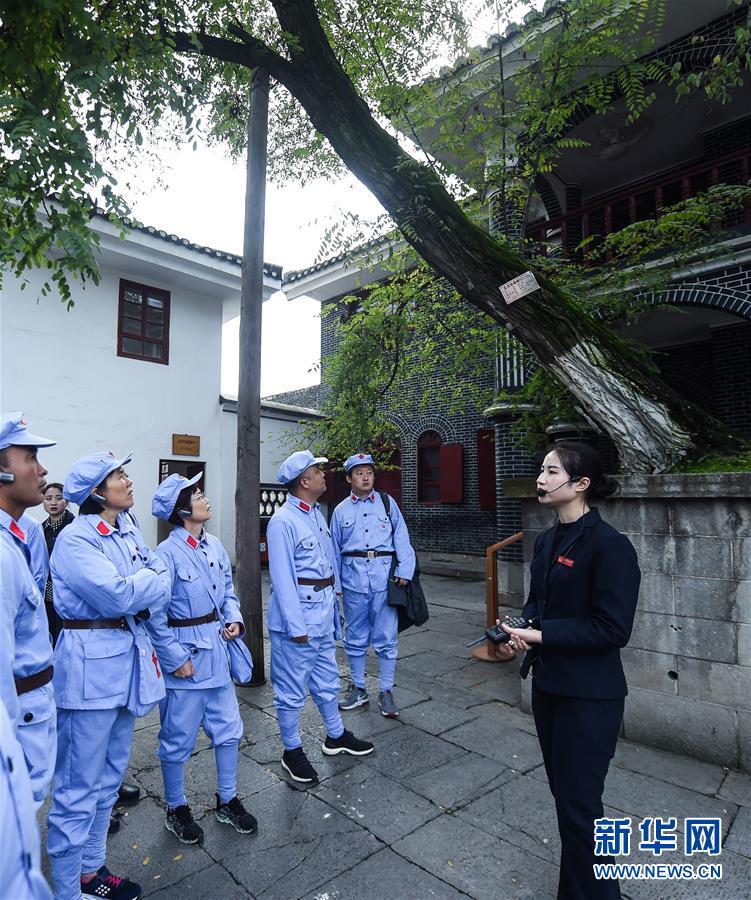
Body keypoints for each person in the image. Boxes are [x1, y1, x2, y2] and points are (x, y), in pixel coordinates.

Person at [502, 441, 640, 900]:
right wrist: (518, 632)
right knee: (568, 802)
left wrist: (542, 635)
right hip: (550, 687)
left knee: (581, 807)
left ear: (581, 484)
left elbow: (611, 629)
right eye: (541, 469)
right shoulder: (547, 540)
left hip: (591, 696)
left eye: (551, 472)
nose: (540, 480)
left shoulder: (610, 546)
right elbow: (536, 607)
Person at [47, 451, 171, 900]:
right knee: (78, 788)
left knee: (107, 782)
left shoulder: (125, 530)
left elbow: (157, 581)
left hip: (125, 664)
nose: (128, 480)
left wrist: (148, 581)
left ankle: (90, 871)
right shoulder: (77, 539)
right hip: (88, 674)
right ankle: (65, 890)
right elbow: (119, 596)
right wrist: (149, 579)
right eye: (119, 475)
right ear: (98, 491)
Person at [150, 473, 257, 844]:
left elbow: (228, 591)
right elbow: (155, 615)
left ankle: (227, 799)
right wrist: (174, 657)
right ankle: (175, 807)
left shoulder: (213, 545)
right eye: (196, 495)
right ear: (181, 510)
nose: (204, 498)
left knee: (229, 731)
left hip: (217, 653)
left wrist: (234, 621)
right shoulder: (165, 555)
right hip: (187, 659)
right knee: (177, 738)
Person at [266, 450, 375, 784]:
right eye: (318, 470)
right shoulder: (283, 521)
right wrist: (296, 626)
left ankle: (335, 734)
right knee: (291, 687)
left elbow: (329, 562)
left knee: (327, 679)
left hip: (323, 611)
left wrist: (337, 600)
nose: (324, 475)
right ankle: (291, 749)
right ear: (304, 480)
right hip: (298, 618)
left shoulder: (314, 514)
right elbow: (282, 578)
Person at [0, 412, 58, 810]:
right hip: (18, 719)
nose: (42, 470)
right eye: (30, 457)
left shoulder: (18, 535)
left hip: (32, 711)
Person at [330, 452, 416, 718]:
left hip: (384, 580)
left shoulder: (388, 504)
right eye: (359, 473)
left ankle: (386, 691)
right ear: (349, 478)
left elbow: (401, 536)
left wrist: (405, 569)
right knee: (354, 636)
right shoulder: (341, 510)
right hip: (353, 579)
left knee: (386, 637)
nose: (365, 477)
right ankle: (358, 687)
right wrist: (336, 584)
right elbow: (333, 548)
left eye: (369, 472)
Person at [41, 483, 75, 646]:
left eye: (59, 498)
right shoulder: (40, 529)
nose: (53, 502)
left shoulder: (75, 527)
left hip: (69, 591)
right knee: (48, 635)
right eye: (48, 498)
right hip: (46, 593)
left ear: (66, 502)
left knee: (67, 637)